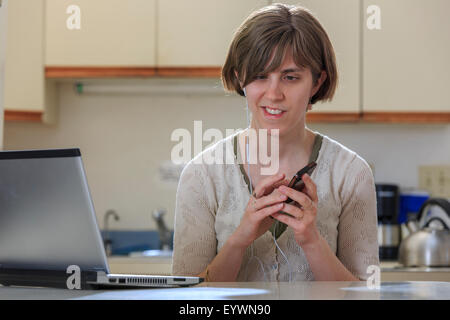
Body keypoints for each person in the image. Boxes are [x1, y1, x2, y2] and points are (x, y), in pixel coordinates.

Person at [172, 3, 379, 282]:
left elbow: (366, 296)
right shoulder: (201, 175)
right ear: (238, 78)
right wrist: (240, 238)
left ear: (317, 82)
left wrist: (311, 240)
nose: (273, 94)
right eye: (259, 76)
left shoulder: (352, 174)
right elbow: (187, 298)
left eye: (290, 77)